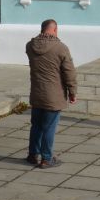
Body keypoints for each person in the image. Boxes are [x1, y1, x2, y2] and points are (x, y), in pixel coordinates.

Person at [25, 19, 77, 169]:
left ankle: (32, 155)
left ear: (42, 29)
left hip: (36, 92)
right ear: (55, 30)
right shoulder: (61, 48)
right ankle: (46, 158)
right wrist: (72, 92)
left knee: (36, 125)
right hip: (53, 95)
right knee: (49, 128)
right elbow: (69, 72)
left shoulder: (30, 46)